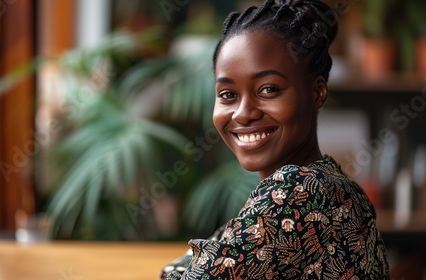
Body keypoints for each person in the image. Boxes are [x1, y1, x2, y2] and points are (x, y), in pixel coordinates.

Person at [161, 0, 390, 279]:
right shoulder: (328, 185)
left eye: (268, 89)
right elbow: (189, 264)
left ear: (317, 92)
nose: (243, 114)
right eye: (228, 95)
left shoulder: (302, 193)